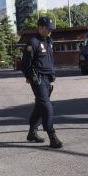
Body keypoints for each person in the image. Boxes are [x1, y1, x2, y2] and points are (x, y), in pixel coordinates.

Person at [21, 16, 62, 149]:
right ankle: (52, 135)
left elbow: (49, 60)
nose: (50, 31)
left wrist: (52, 74)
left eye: (51, 29)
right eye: (48, 29)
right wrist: (30, 76)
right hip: (37, 78)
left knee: (40, 105)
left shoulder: (49, 41)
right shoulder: (32, 42)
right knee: (46, 105)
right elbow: (25, 63)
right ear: (40, 27)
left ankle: (32, 132)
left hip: (47, 78)